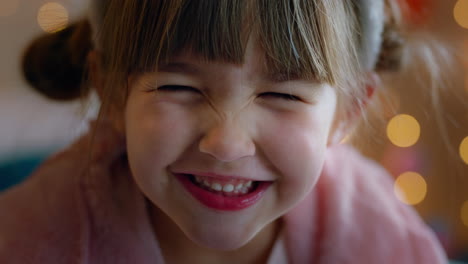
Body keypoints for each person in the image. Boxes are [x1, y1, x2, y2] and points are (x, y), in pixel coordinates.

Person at [0, 0, 448, 263]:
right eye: (178, 86)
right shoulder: (34, 238)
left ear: (347, 111)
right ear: (113, 93)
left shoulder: (385, 243)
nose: (227, 143)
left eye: (284, 95)